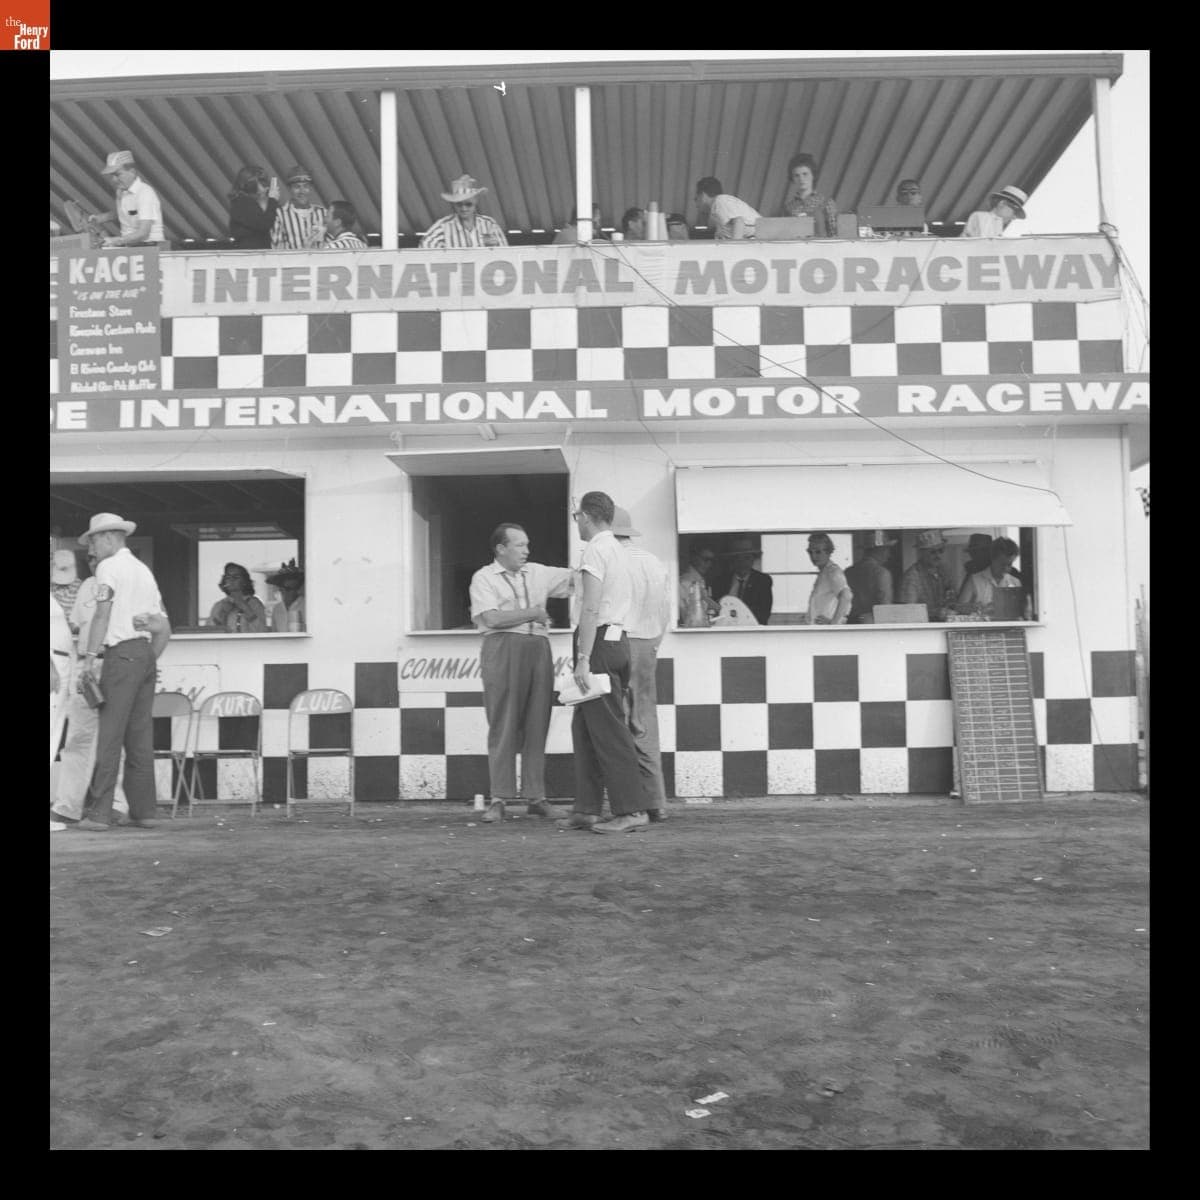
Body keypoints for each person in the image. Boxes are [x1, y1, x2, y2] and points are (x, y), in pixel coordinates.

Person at [469, 524, 574, 823]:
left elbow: (578, 578)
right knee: (502, 722)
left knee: (537, 722)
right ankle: (499, 798)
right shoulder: (484, 578)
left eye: (527, 545)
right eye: (518, 545)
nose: (526, 551)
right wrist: (533, 613)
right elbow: (491, 617)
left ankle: (536, 797)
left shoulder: (538, 572)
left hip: (538, 649)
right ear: (500, 548)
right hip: (501, 648)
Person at [75, 514, 171, 832]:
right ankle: (145, 811)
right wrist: (145, 658)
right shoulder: (143, 570)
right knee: (140, 737)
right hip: (144, 653)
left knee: (110, 735)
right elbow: (161, 623)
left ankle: (100, 814)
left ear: (109, 537)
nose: (91, 546)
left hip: (120, 654)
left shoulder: (108, 568)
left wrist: (89, 657)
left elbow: (102, 613)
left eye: (93, 540)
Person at [561, 492, 649, 834]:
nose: (576, 524)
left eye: (576, 518)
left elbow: (591, 608)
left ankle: (631, 810)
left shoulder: (596, 549)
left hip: (597, 642)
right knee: (584, 727)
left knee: (609, 730)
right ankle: (587, 808)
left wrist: (583, 658)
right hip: (617, 639)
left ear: (585, 516)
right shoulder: (620, 550)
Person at [51, 547, 132, 827]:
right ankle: (67, 805)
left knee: (113, 737)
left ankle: (116, 804)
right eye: (91, 558)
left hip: (114, 659)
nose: (94, 561)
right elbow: (76, 624)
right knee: (78, 737)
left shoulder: (126, 584)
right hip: (87, 663)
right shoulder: (86, 586)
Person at [612, 507, 670, 823]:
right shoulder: (653, 562)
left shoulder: (610, 561)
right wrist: (653, 645)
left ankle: (630, 804)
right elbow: (664, 614)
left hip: (619, 642)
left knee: (616, 726)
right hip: (648, 645)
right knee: (645, 723)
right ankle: (656, 801)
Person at [94, 150, 165, 248]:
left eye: (118, 174)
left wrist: (116, 241)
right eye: (112, 175)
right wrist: (101, 218)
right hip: (132, 247)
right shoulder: (121, 192)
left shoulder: (145, 193)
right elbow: (128, 212)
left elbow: (143, 233)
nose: (114, 180)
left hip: (150, 247)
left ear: (132, 172)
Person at [420, 175, 508, 249]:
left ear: (475, 202)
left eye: (468, 204)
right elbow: (424, 248)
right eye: (459, 204)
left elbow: (506, 251)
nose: (463, 208)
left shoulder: (489, 224)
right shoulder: (443, 226)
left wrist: (495, 246)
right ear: (454, 204)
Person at [956, 536, 1031, 620]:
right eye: (1002, 564)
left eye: (1009, 564)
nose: (1006, 569)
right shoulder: (974, 580)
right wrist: (978, 608)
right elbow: (959, 608)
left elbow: (1023, 614)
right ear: (992, 559)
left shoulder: (1015, 582)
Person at [712, 536, 774, 626]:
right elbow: (715, 609)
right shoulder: (720, 581)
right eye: (737, 558)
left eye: (747, 558)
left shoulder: (763, 581)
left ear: (753, 559)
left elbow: (764, 613)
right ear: (732, 560)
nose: (742, 563)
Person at [899, 530, 957, 622]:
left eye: (940, 551)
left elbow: (951, 599)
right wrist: (936, 612)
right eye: (933, 552)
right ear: (921, 553)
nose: (938, 555)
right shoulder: (912, 576)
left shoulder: (944, 571)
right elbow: (908, 611)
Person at [271, 164, 328, 250]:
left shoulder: (323, 213)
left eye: (306, 186)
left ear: (311, 188)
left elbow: (331, 244)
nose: (302, 191)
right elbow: (277, 249)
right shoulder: (280, 214)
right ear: (290, 189)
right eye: (297, 187)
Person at [781, 153, 838, 238]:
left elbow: (835, 234)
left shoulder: (826, 203)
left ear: (813, 175)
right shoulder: (789, 208)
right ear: (792, 179)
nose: (801, 179)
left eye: (805, 174)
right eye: (797, 175)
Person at [845, 531, 896, 623]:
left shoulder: (848, 572)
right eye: (887, 549)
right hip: (874, 624)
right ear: (880, 550)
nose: (889, 554)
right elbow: (885, 607)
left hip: (850, 623)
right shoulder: (882, 573)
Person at [804, 533, 852, 625]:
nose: (813, 556)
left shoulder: (833, 571)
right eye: (810, 552)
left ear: (828, 552)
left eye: (818, 552)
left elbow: (846, 595)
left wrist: (833, 624)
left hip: (827, 633)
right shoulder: (824, 573)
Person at [228, 165, 280, 250]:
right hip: (249, 255)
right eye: (254, 186)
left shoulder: (245, 202)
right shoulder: (241, 202)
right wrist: (272, 200)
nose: (260, 189)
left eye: (262, 183)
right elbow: (264, 224)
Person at [694, 176, 759, 241]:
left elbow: (738, 221)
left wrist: (734, 247)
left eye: (695, 199)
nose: (696, 205)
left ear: (703, 195)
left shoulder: (719, 201)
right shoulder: (717, 209)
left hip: (760, 238)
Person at [208, 563, 268, 633]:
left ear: (245, 581)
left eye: (236, 577)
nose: (231, 580)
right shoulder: (219, 606)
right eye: (228, 577)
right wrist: (222, 613)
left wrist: (246, 608)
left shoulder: (254, 603)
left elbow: (262, 631)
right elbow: (209, 632)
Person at [678, 542, 720, 627]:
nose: (709, 564)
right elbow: (687, 616)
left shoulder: (701, 580)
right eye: (705, 559)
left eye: (711, 560)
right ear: (694, 557)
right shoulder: (685, 582)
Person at [963, 184, 1027, 239]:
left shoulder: (997, 224)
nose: (1014, 217)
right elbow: (986, 244)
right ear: (1002, 203)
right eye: (1014, 211)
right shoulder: (983, 217)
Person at [266, 559, 306, 632]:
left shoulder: (307, 606)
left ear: (297, 589)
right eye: (282, 589)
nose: (284, 592)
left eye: (289, 589)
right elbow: (274, 634)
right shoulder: (277, 609)